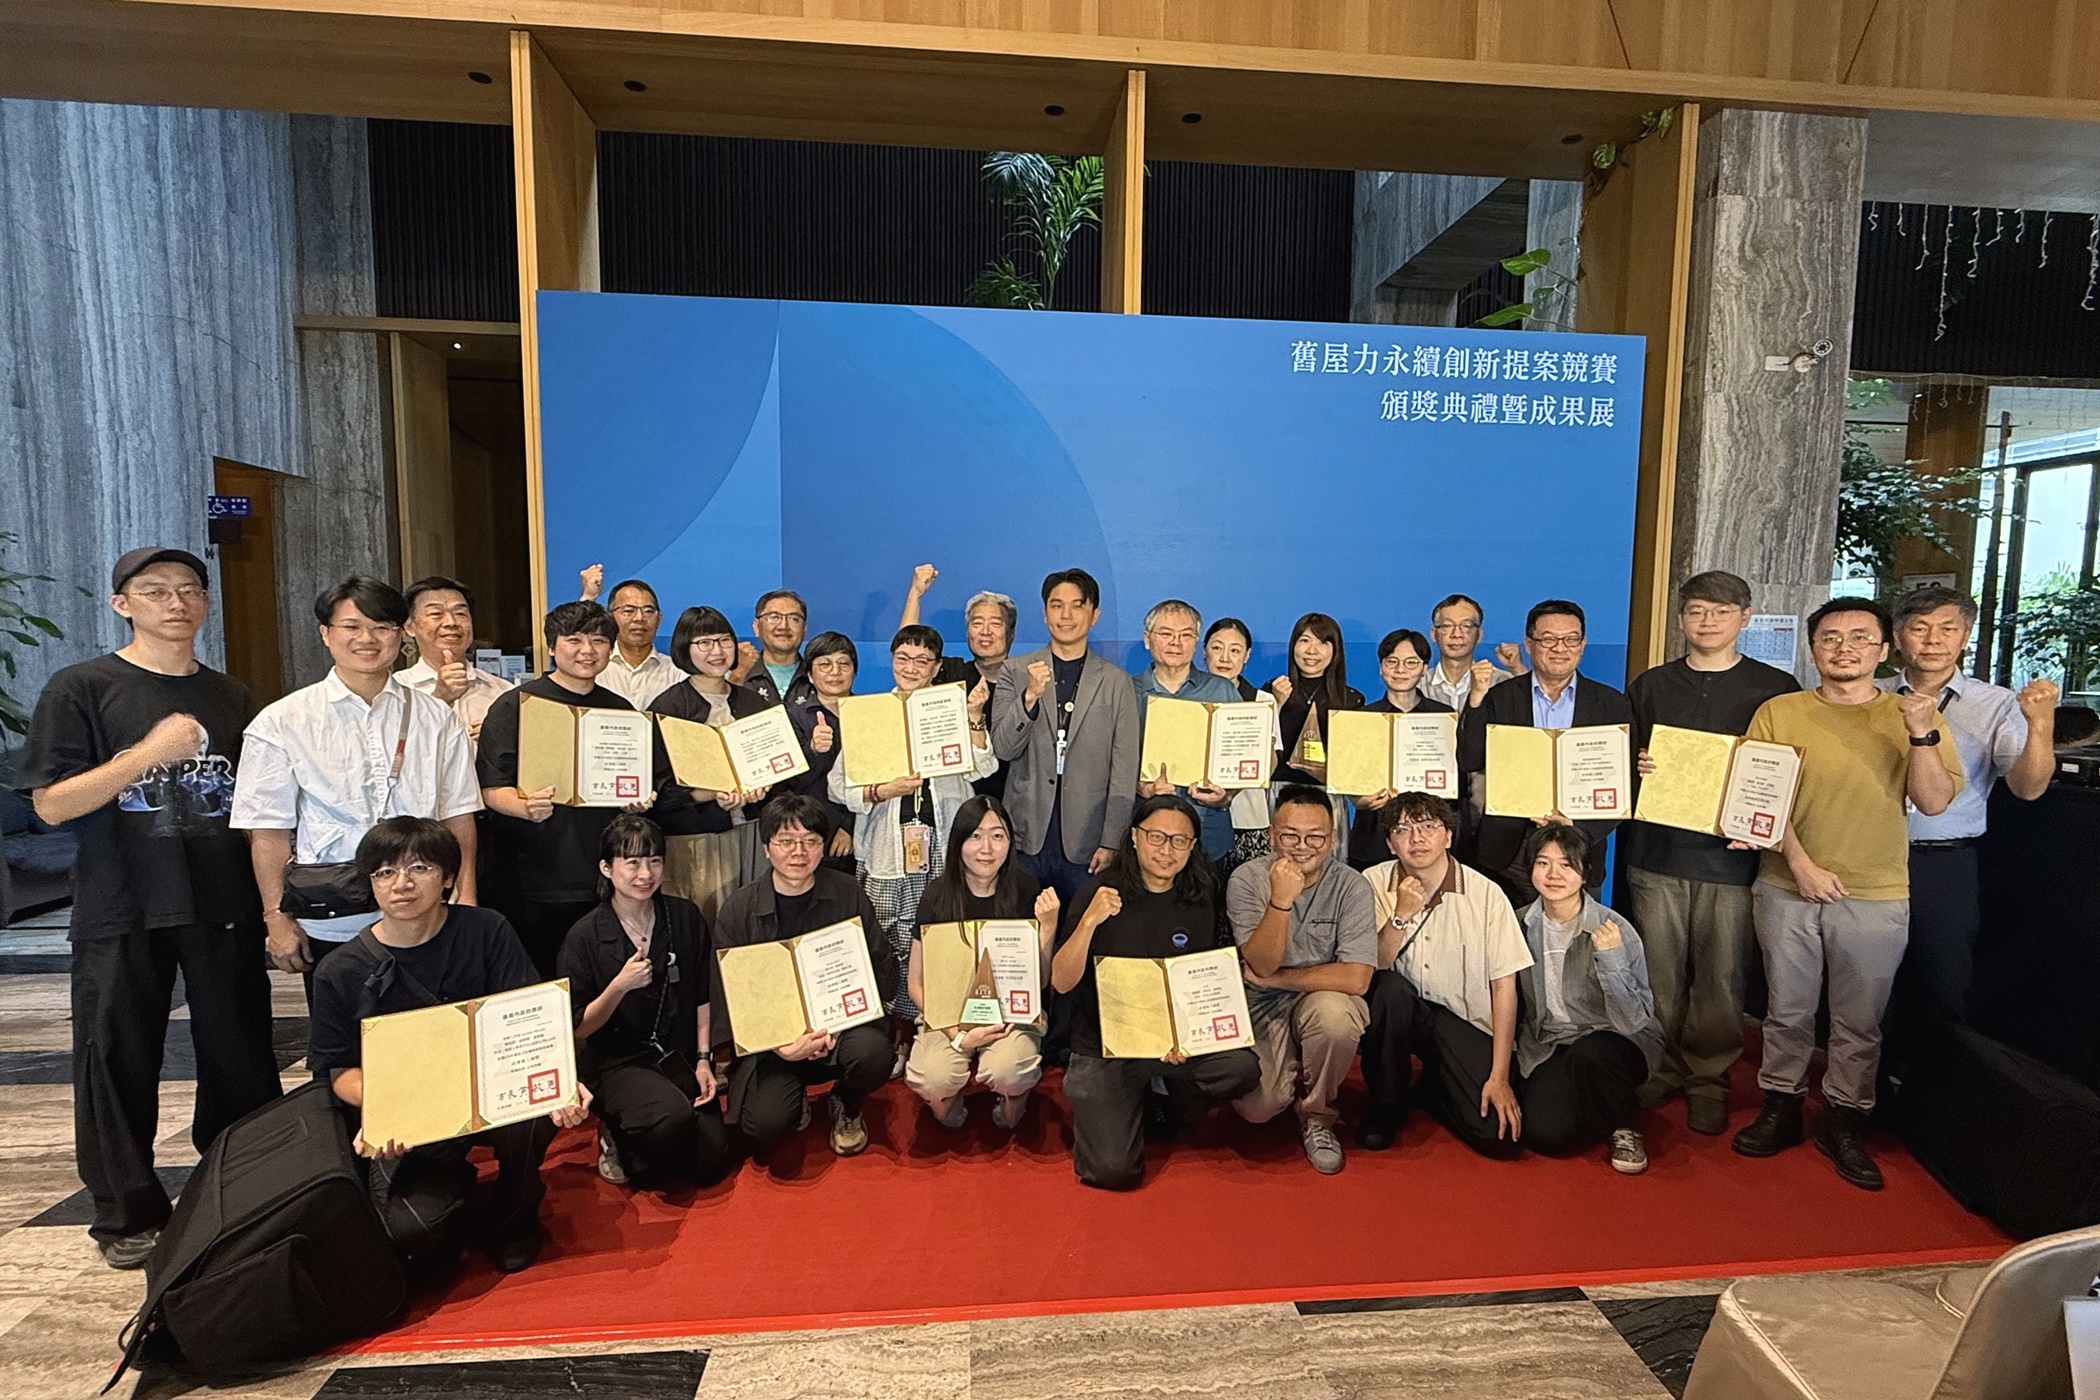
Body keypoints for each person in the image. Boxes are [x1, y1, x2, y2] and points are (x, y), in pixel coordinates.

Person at [15, 546, 281, 1269]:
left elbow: (258, 807)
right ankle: (126, 1212)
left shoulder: (232, 696)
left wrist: (273, 904)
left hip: (221, 900)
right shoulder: (81, 687)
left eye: (189, 589)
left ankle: (237, 1187)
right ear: (121, 604)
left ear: (206, 603)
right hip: (122, 903)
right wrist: (147, 754)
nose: (176, 602)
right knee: (116, 1057)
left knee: (240, 1053)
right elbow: (50, 804)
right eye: (155, 590)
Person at [1732, 597, 1963, 1191]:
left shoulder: (1912, 714)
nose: (1844, 648)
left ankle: (1845, 1118)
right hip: (1786, 884)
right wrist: (1801, 865)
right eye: (1830, 638)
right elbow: (1759, 796)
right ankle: (1781, 1104)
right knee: (1787, 1009)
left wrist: (1921, 734)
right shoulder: (1780, 711)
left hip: (1877, 890)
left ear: (1884, 649)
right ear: (1813, 649)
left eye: (1860, 637)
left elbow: (1934, 801)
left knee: (1859, 1021)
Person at [308, 817, 590, 1275]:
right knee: (412, 1235)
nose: (401, 884)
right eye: (385, 872)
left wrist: (562, 1081)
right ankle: (451, 1180)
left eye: (418, 868)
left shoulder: (486, 930)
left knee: (537, 1110)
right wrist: (385, 1110)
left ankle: (516, 1217)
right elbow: (339, 1071)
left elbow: (531, 1019)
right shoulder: (340, 970)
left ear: (447, 878)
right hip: (417, 1113)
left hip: (492, 1091)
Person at [232, 577, 481, 996]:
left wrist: (466, 895)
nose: (367, 639)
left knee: (434, 1027)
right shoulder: (282, 721)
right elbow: (267, 830)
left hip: (426, 911)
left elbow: (459, 814)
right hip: (332, 916)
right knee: (342, 1029)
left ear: (401, 635)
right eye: (351, 626)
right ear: (325, 633)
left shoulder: (436, 717)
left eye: (382, 627)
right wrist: (275, 916)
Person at [1622, 572, 1798, 1134]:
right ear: (1681, 619)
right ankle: (1657, 1067)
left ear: (1745, 618)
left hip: (1732, 856)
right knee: (1657, 972)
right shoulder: (1650, 685)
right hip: (1656, 852)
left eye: (1721, 612)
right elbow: (1624, 758)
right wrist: (1638, 762)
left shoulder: (1775, 687)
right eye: (1697, 611)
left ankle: (1708, 1077)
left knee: (1722, 975)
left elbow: (1783, 769)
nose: (1708, 622)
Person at [1878, 585, 2057, 1072]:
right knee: (1868, 982)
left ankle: (1939, 1090)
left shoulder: (1994, 704)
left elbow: (2027, 788)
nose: (1933, 640)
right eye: (1919, 628)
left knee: (1944, 979)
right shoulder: (1871, 696)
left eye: (1947, 629)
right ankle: (1867, 1091)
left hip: (1943, 861)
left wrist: (2040, 725)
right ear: (1898, 637)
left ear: (1965, 636)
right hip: (1871, 856)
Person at [1055, 795, 1261, 1190]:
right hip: (1106, 1045)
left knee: (1241, 1068)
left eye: (1179, 841)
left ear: (1193, 846)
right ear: (1134, 837)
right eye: (1156, 837)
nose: (1167, 851)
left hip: (1170, 1041)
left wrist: (1186, 1035)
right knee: (1113, 1172)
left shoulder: (1199, 896)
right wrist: (1089, 923)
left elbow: (1196, 980)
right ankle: (1117, 1104)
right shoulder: (1099, 892)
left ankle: (1168, 1103)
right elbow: (1061, 982)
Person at [476, 601, 675, 977]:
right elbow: (491, 787)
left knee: (600, 978)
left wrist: (637, 802)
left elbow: (642, 783)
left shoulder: (622, 711)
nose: (587, 650)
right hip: (533, 876)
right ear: (552, 646)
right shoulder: (515, 705)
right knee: (539, 980)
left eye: (598, 641)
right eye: (574, 640)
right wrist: (524, 807)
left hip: (601, 876)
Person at [710, 794, 894, 1157]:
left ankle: (847, 1102)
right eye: (786, 841)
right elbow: (730, 997)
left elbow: (880, 966)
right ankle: (794, 1099)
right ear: (767, 848)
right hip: (774, 1044)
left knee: (873, 1055)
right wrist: (781, 1045)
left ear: (823, 847)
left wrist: (838, 1023)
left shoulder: (847, 892)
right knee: (764, 1125)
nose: (799, 852)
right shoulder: (739, 910)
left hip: (841, 1031)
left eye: (811, 841)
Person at [832, 626, 996, 1024]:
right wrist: (882, 791)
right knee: (886, 936)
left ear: (937, 667)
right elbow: (837, 784)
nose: (911, 667)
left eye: (922, 661)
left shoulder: (949, 709)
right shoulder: (869, 713)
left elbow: (984, 766)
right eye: (903, 658)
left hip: (942, 844)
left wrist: (974, 718)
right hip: (886, 849)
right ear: (891, 661)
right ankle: (891, 1026)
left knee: (941, 933)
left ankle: (937, 1019)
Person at [1354, 791, 1532, 1157]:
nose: (1416, 838)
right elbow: (1371, 969)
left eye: (1428, 826)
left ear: (1448, 836)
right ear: (1390, 844)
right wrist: (1401, 915)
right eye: (1403, 829)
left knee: (1496, 1138)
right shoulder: (1371, 882)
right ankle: (1387, 1104)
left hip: (1463, 1022)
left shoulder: (1486, 893)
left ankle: (1436, 1087)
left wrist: (1499, 1075)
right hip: (1402, 1012)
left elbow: (1504, 987)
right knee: (1387, 989)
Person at [558, 815, 730, 1189]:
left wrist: (704, 1059)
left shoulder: (684, 916)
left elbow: (702, 995)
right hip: (618, 1061)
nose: (645, 874)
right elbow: (579, 1028)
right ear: (606, 868)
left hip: (677, 1054)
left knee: (712, 1162)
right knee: (665, 1133)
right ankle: (614, 1129)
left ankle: (654, 1127)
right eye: (632, 862)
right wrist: (618, 987)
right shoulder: (584, 936)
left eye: (654, 861)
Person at [1227, 785, 1378, 1173]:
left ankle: (1317, 1115)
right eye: (1290, 836)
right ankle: (1291, 1064)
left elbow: (1357, 978)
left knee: (1336, 1016)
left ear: (1332, 838)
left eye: (1315, 837)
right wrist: (1280, 900)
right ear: (1272, 835)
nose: (1302, 847)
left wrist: (1279, 980)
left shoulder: (1352, 885)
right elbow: (1261, 964)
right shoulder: (1247, 878)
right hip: (1261, 1004)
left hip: (1319, 997)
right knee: (1258, 1108)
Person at [1458, 599, 1632, 903]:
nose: (1560, 648)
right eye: (1548, 639)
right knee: (1505, 929)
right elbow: (1470, 759)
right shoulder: (1500, 697)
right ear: (1529, 644)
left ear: (1582, 645)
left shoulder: (1611, 704)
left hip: (1579, 847)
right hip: (1508, 848)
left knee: (1574, 931)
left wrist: (1581, 828)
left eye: (1571, 639)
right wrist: (1475, 701)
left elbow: (1626, 782)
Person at [903, 796, 1060, 1130]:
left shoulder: (1025, 890)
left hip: (1011, 1015)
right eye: (975, 836)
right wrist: (957, 1035)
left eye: (997, 836)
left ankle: (1015, 1097)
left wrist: (1048, 929)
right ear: (958, 842)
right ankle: (948, 1103)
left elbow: (1041, 981)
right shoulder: (936, 895)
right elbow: (915, 983)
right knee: (932, 1078)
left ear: (1010, 843)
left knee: (1009, 1070)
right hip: (948, 1014)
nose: (986, 848)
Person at [1514, 824, 1662, 1174]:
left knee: (1591, 1054)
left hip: (1615, 1039)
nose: (1553, 875)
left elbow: (1633, 1019)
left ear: (1585, 873)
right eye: (1543, 863)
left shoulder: (1614, 927)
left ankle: (1622, 1125)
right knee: (1545, 1135)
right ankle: (1589, 1096)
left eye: (1566, 865)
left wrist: (1610, 959)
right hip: (1550, 1042)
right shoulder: (1519, 924)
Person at [990, 568, 1140, 903]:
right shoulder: (1016, 671)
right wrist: (1029, 697)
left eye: (1077, 605)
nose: (1066, 615)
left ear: (1094, 614)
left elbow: (1124, 768)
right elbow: (1003, 748)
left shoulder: (1116, 682)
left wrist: (1112, 840)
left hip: (1088, 842)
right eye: (1057, 606)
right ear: (1045, 614)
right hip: (1025, 836)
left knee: (1082, 929)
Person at [648, 605, 772, 924]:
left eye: (724, 640)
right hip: (695, 839)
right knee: (706, 923)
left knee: (753, 921)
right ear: (685, 648)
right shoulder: (668, 708)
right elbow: (658, 790)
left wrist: (764, 785)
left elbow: (775, 766)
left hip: (752, 830)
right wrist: (711, 793)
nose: (717, 651)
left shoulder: (753, 703)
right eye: (704, 642)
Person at [1132, 599, 1240, 860]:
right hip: (1145, 833)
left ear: (1196, 642)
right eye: (1166, 634)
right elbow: (1105, 759)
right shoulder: (1125, 690)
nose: (1176, 643)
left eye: (1186, 635)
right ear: (1147, 639)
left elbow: (1247, 755)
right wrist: (1139, 787)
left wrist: (1226, 795)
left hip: (1207, 834)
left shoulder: (1221, 691)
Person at [901, 565, 1016, 801]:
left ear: (1011, 633)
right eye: (977, 623)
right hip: (959, 800)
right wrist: (915, 594)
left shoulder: (1025, 680)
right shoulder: (953, 674)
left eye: (995, 624)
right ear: (967, 632)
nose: (985, 631)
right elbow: (909, 652)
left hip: (1014, 798)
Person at [1345, 628, 1455, 871]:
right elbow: (1352, 777)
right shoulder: (1362, 718)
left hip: (1426, 835)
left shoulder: (1443, 717)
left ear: (1424, 668)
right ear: (1381, 667)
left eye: (1411, 662)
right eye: (1391, 662)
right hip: (1373, 834)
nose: (1400, 670)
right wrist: (1359, 801)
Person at [396, 575, 513, 751]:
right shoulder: (396, 689)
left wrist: (502, 738)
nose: (451, 622)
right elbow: (393, 752)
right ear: (409, 627)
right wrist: (440, 700)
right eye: (436, 614)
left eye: (460, 614)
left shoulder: (502, 691)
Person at [780, 631, 857, 871]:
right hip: (808, 831)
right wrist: (813, 750)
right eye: (825, 664)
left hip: (860, 829)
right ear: (810, 675)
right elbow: (790, 782)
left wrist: (850, 826)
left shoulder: (869, 713)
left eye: (843, 664)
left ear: (854, 671)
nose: (835, 672)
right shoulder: (792, 717)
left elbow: (880, 778)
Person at [1264, 613, 1362, 800]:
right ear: (1293, 645)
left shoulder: (1350, 699)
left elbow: (1353, 761)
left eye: (1322, 642)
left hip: (1328, 795)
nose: (1312, 650)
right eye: (1305, 640)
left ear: (1335, 650)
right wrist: (1276, 705)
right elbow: (1259, 745)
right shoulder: (1273, 690)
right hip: (1278, 793)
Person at [1420, 593, 1523, 712]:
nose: (1456, 634)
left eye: (1466, 626)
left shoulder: (1501, 682)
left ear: (1479, 635)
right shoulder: (1417, 684)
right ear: (1433, 634)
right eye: (1447, 626)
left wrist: (1518, 670)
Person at [595, 578, 682, 709]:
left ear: (659, 619)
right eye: (628, 611)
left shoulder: (678, 673)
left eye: (648, 611)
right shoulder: (594, 667)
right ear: (610, 618)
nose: (639, 618)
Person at [738, 589, 816, 708]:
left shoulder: (820, 675)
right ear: (757, 627)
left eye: (793, 619)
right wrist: (737, 677)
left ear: (804, 629)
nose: (783, 626)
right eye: (774, 618)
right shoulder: (736, 674)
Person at [1203, 618, 1260, 703]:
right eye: (1217, 648)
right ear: (1204, 650)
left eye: (1234, 650)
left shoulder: (1262, 700)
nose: (1225, 659)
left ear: (1247, 655)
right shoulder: (1187, 695)